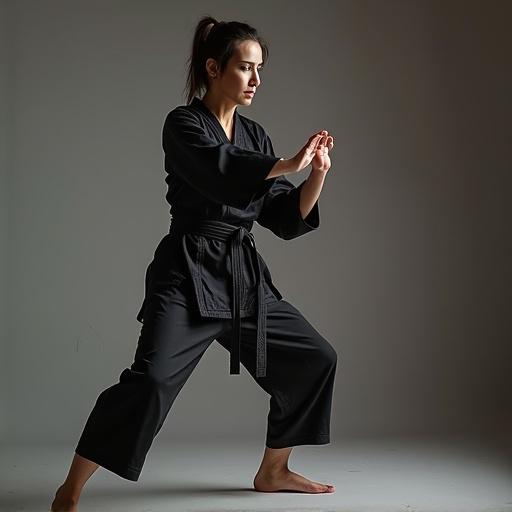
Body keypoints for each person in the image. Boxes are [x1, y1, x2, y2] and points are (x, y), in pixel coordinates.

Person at [50, 15, 337, 512]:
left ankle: (273, 471)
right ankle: (70, 489)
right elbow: (220, 172)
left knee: (314, 358)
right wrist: (286, 165)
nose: (255, 80)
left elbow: (284, 217)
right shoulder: (182, 124)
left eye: (259, 70)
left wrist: (315, 176)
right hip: (186, 272)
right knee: (152, 380)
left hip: (240, 276)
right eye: (245, 68)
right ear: (213, 67)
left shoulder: (255, 136)